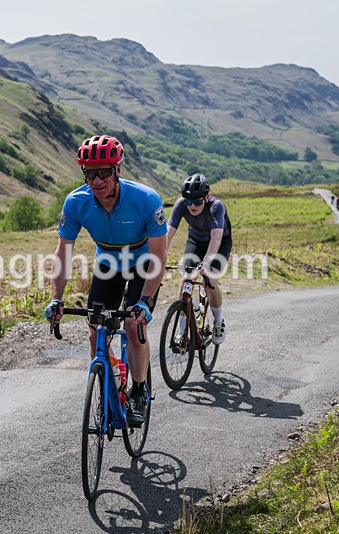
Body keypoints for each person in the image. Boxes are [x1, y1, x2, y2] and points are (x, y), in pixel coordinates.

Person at [44, 134, 167, 426]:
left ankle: (138, 391)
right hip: (109, 265)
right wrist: (56, 298)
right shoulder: (76, 203)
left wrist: (145, 301)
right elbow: (63, 254)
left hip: (143, 265)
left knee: (134, 324)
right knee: (94, 330)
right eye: (90, 173)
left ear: (117, 170)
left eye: (103, 173)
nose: (97, 181)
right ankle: (110, 381)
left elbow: (159, 257)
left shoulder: (146, 199)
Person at [166, 173, 232, 345]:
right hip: (195, 241)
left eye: (197, 201)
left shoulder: (216, 206)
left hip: (219, 242)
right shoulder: (180, 205)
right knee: (186, 279)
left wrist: (207, 261)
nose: (192, 205)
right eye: (188, 201)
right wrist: (158, 256)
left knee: (210, 279)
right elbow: (168, 234)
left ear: (206, 197)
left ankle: (218, 321)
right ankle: (181, 334)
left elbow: (216, 239)